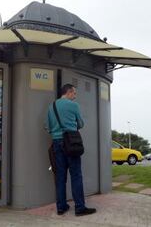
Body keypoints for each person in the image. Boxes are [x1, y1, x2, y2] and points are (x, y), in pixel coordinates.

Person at [46, 84, 96, 216]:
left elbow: (47, 127)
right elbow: (80, 124)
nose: (75, 96)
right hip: (71, 143)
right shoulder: (74, 106)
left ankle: (61, 207)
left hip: (57, 143)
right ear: (68, 92)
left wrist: (57, 131)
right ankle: (80, 208)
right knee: (76, 175)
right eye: (74, 93)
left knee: (60, 176)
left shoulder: (52, 106)